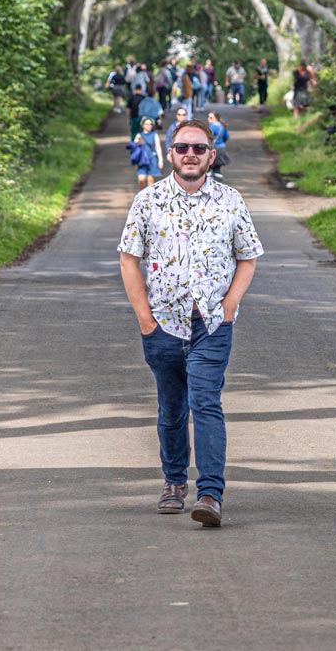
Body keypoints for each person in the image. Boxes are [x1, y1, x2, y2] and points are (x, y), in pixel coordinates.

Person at [118, 118, 263, 528]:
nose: (190, 155)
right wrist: (146, 320)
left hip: (211, 325)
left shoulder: (231, 201)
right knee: (172, 409)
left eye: (199, 149)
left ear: (211, 155)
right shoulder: (148, 202)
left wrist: (230, 305)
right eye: (182, 148)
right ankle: (173, 482)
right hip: (163, 323)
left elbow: (247, 256)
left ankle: (210, 495)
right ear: (170, 153)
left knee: (206, 403)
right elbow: (129, 259)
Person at [129, 116, 165, 188]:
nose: (149, 126)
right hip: (142, 160)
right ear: (142, 125)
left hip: (152, 159)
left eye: (151, 124)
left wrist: (160, 160)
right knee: (141, 179)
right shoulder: (139, 135)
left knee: (150, 180)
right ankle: (142, 195)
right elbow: (134, 149)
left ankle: (149, 198)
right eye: (147, 124)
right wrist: (138, 144)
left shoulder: (154, 135)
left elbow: (158, 148)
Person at [205, 110, 231, 176]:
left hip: (213, 148)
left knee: (209, 166)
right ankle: (218, 181)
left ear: (215, 118)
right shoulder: (222, 126)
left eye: (211, 117)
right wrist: (221, 142)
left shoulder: (211, 127)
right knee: (217, 168)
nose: (208, 118)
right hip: (221, 148)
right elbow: (227, 136)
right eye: (208, 117)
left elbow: (207, 137)